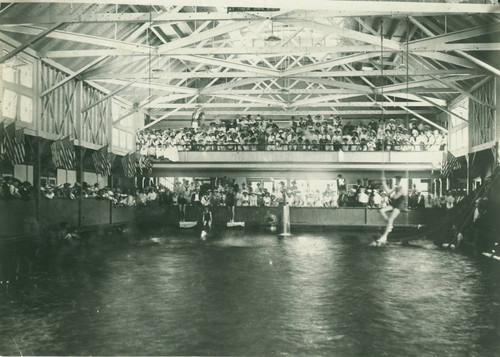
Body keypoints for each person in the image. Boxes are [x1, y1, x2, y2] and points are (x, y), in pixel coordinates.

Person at [376, 175, 407, 245]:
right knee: (381, 211)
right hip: (394, 204)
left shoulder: (403, 189)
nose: (395, 181)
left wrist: (391, 194)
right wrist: (383, 183)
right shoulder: (395, 187)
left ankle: (384, 236)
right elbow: (388, 191)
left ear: (399, 180)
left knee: (390, 220)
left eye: (396, 180)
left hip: (399, 206)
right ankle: (389, 224)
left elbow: (395, 197)